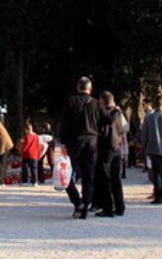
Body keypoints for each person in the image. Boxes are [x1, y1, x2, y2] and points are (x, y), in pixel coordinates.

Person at [60, 77, 101, 219]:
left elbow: (65, 122)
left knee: (67, 174)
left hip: (75, 141)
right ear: (90, 89)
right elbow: (105, 120)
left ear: (78, 88)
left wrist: (63, 141)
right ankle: (85, 204)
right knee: (89, 175)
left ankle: (77, 201)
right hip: (92, 141)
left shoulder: (71, 101)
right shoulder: (96, 103)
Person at [94, 91, 126, 217]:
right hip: (116, 147)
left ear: (102, 101)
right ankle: (120, 206)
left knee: (105, 179)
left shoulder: (102, 114)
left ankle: (107, 207)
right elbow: (124, 129)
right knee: (116, 179)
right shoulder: (119, 113)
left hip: (105, 148)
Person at [19, 122, 40, 186]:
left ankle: (25, 181)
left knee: (25, 169)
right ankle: (35, 181)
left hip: (27, 154)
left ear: (27, 129)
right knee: (34, 169)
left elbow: (25, 146)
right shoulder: (36, 136)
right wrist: (38, 154)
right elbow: (38, 145)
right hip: (35, 155)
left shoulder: (27, 136)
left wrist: (21, 152)